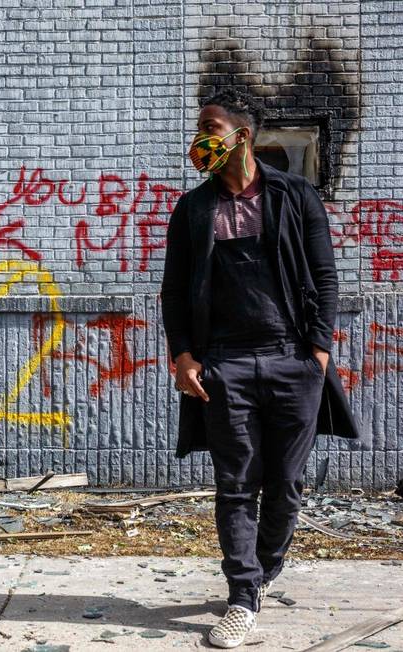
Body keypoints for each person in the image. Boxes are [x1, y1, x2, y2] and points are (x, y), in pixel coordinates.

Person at [161, 88, 359, 648]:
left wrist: (316, 354)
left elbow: (325, 278)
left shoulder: (295, 196)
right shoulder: (194, 208)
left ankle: (264, 568)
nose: (200, 139)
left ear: (242, 136)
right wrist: (183, 354)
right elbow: (174, 291)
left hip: (291, 357)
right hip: (224, 363)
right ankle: (242, 597)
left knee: (286, 485)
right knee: (235, 484)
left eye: (210, 128)